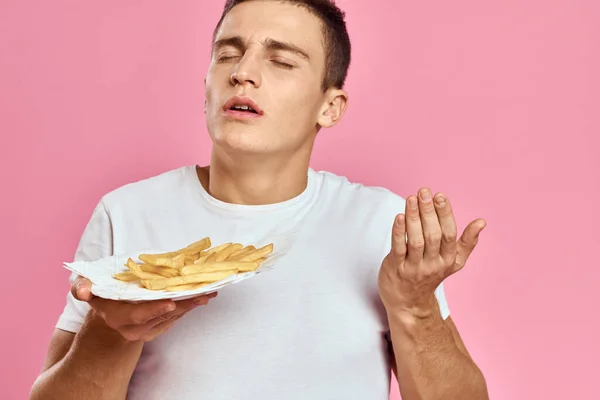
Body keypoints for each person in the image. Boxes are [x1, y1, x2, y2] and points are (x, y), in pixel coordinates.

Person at [30, 1, 489, 399]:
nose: (242, 72)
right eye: (227, 53)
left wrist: (415, 307)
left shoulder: (381, 224)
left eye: (282, 62)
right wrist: (110, 331)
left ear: (329, 107)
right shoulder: (126, 215)